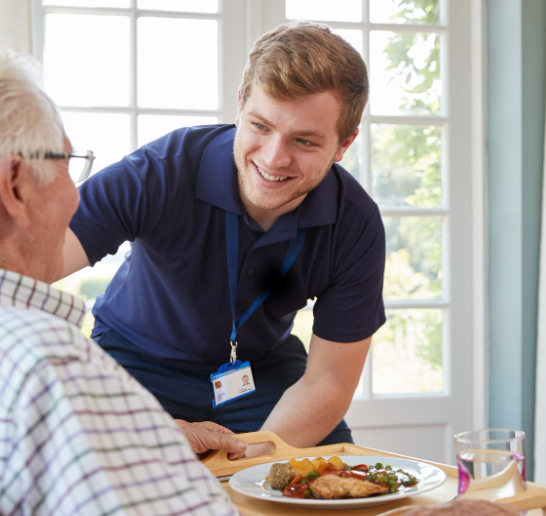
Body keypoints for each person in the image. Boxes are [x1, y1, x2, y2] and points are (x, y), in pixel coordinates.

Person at [0, 46, 238, 515]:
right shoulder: (48, 367)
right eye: (67, 163)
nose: (75, 198)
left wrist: (138, 437)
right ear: (17, 186)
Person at [59, 20, 386, 450]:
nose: (274, 158)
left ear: (344, 144)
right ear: (240, 106)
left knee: (323, 489)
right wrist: (147, 435)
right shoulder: (159, 172)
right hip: (134, 364)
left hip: (260, 374)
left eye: (304, 141)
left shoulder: (356, 223)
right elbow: (21, 262)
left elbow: (326, 383)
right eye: (261, 126)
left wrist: (246, 461)